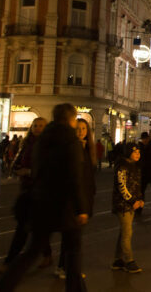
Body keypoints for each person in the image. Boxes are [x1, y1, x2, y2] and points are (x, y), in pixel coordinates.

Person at [0, 103, 89, 291]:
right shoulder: (71, 141)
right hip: (65, 206)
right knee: (73, 253)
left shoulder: (42, 139)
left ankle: (1, 288)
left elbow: (36, 170)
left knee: (31, 251)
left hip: (41, 202)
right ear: (71, 119)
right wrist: (81, 208)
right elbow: (74, 177)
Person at [0, 117, 51, 273]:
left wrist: (29, 171)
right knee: (34, 227)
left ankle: (10, 262)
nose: (38, 128)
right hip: (27, 190)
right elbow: (17, 163)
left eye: (41, 126)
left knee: (23, 228)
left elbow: (48, 169)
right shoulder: (26, 144)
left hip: (40, 191)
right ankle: (46, 254)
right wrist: (17, 169)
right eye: (35, 125)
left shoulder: (47, 146)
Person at [55, 118, 96, 279]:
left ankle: (63, 266)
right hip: (73, 200)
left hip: (84, 197)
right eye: (78, 128)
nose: (81, 132)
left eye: (84, 129)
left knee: (71, 237)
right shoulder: (73, 148)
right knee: (73, 237)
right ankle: (69, 269)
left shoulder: (87, 149)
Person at [111, 145, 144, 273]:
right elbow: (122, 186)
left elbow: (137, 185)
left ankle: (117, 260)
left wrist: (140, 199)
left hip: (131, 203)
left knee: (124, 232)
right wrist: (132, 200)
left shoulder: (135, 166)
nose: (137, 154)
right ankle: (129, 260)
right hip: (122, 204)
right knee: (127, 233)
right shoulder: (122, 166)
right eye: (135, 152)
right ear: (128, 153)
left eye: (139, 152)